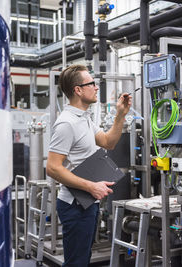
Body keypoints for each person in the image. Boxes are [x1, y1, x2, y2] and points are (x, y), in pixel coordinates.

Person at [46, 64, 132, 267]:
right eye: (91, 83)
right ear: (78, 90)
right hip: (74, 205)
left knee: (82, 260)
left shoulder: (84, 119)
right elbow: (52, 168)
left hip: (87, 203)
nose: (96, 87)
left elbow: (108, 142)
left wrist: (120, 115)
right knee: (76, 263)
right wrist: (91, 186)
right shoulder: (67, 123)